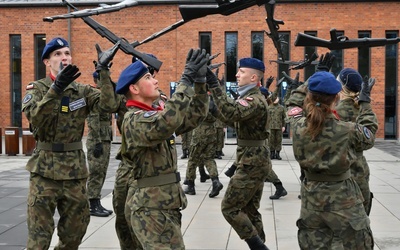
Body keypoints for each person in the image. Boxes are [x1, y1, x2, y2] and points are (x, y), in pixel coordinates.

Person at [21, 37, 120, 249]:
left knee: (75, 234)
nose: (63, 58)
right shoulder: (36, 89)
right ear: (47, 62)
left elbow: (110, 105)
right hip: (44, 173)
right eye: (57, 54)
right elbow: (36, 118)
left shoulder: (82, 91)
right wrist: (56, 89)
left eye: (66, 53)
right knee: (39, 238)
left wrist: (103, 71)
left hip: (74, 173)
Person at [116, 48, 209, 249]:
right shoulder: (133, 119)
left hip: (164, 204)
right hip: (150, 208)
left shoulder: (155, 114)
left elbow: (195, 116)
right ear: (134, 88)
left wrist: (201, 83)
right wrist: (185, 80)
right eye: (148, 77)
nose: (156, 80)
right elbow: (166, 122)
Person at [286, 69, 376, 249]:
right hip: (344, 199)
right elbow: (369, 133)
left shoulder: (297, 126)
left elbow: (291, 105)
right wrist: (365, 103)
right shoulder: (347, 130)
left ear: (308, 97)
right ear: (337, 98)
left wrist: (312, 79)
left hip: (312, 200)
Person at [207, 57, 271, 250]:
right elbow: (236, 121)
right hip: (253, 158)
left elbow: (234, 112)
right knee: (250, 210)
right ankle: (261, 244)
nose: (237, 75)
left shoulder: (254, 100)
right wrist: (215, 111)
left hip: (252, 161)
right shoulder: (250, 98)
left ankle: (259, 247)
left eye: (241, 72)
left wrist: (214, 85)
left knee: (230, 207)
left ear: (253, 77)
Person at [336, 68, 374, 215]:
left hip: (340, 170)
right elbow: (369, 139)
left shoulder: (335, 111)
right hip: (360, 168)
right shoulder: (363, 110)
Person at [184, 94, 224, 198]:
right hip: (212, 131)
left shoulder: (198, 100)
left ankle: (190, 186)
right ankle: (215, 181)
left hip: (199, 131)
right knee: (209, 158)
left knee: (192, 159)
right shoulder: (214, 101)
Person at [86, 71, 114, 217]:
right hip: (98, 140)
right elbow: (93, 120)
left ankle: (96, 202)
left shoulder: (105, 96)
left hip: (105, 138)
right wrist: (97, 142)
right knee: (95, 172)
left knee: (102, 171)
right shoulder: (95, 95)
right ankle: (92, 204)